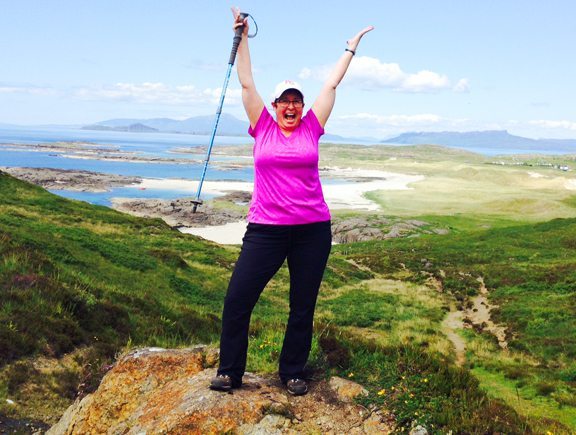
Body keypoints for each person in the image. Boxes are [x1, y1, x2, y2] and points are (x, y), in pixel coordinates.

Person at [210, 7, 373, 396]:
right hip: (265, 230)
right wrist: (242, 37)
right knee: (237, 300)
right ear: (274, 106)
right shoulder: (262, 127)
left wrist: (349, 50)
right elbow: (247, 85)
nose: (290, 106)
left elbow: (330, 88)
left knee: (302, 307)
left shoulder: (312, 127)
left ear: (301, 106)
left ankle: (293, 372)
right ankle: (230, 371)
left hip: (311, 231)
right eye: (284, 100)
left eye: (296, 101)